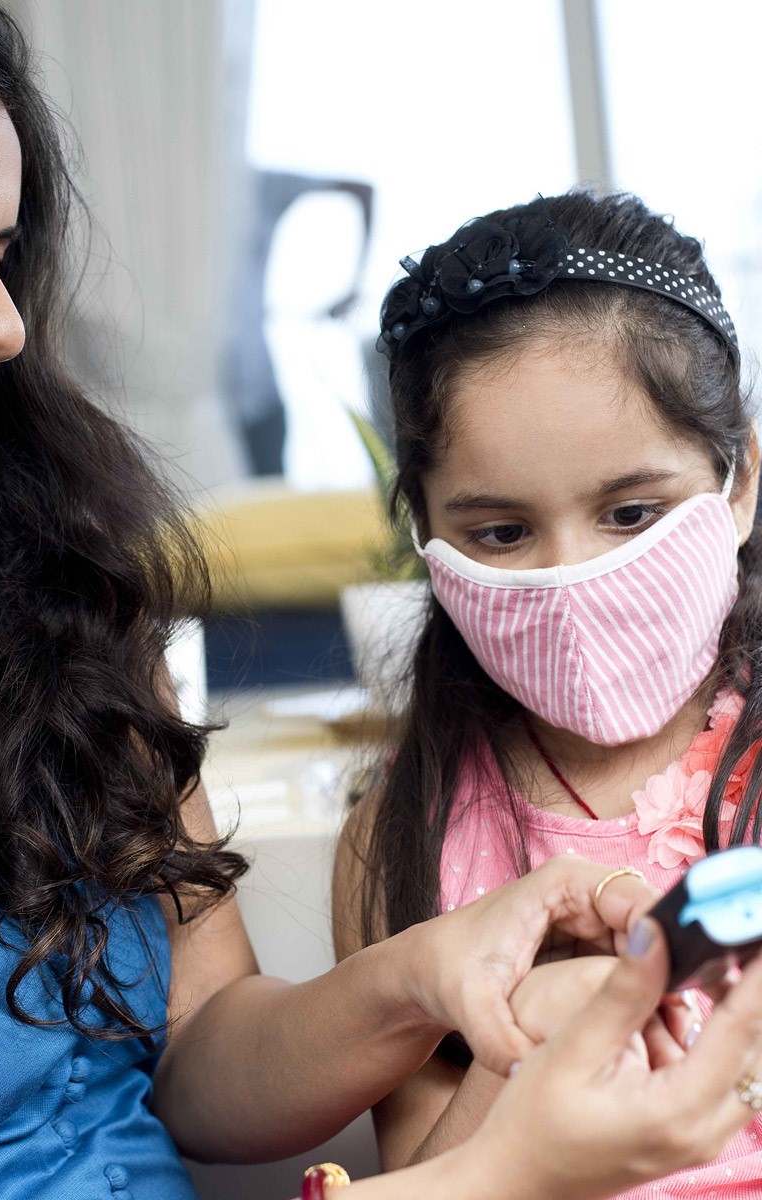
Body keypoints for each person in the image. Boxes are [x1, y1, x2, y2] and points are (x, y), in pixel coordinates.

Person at [0, 4, 759, 1197]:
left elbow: (197, 1051)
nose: (1, 323)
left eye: (1, 256)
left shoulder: (34, 605)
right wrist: (508, 1174)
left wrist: (427, 975)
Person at [333, 189, 762, 1196]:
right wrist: (524, 1039)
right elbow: (426, 1179)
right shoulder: (403, 838)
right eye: (501, 532)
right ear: (426, 532)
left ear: (738, 481)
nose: (572, 576)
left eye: (629, 510)